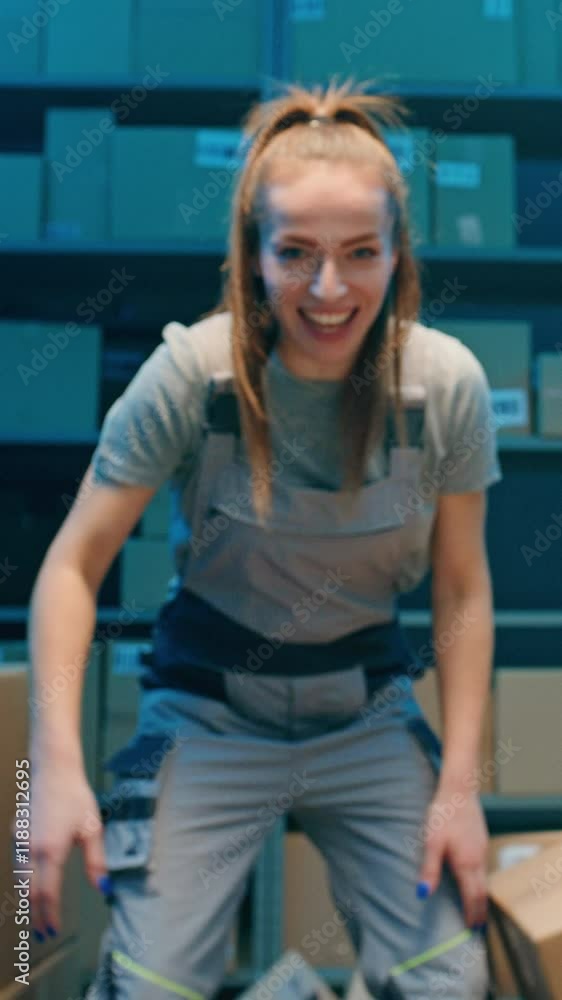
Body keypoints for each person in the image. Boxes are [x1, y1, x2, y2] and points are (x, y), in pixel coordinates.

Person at [25, 78, 502, 999]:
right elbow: (73, 566)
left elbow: (463, 590)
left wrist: (459, 790)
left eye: (361, 253)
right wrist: (51, 769)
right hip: (207, 713)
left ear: (398, 255)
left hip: (366, 714)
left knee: (449, 983)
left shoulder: (447, 386)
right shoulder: (190, 375)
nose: (328, 290)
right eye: (295, 254)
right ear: (252, 256)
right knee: (150, 989)